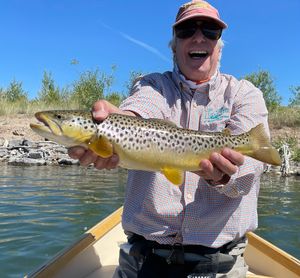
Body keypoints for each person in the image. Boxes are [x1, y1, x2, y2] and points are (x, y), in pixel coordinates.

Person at [69, 1, 270, 277]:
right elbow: (142, 108)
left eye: (210, 30)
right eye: (186, 30)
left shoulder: (245, 94)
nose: (198, 37)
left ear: (219, 46)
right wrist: (119, 122)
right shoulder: (151, 85)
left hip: (220, 264)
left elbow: (251, 170)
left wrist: (224, 175)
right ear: (173, 45)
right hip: (143, 260)